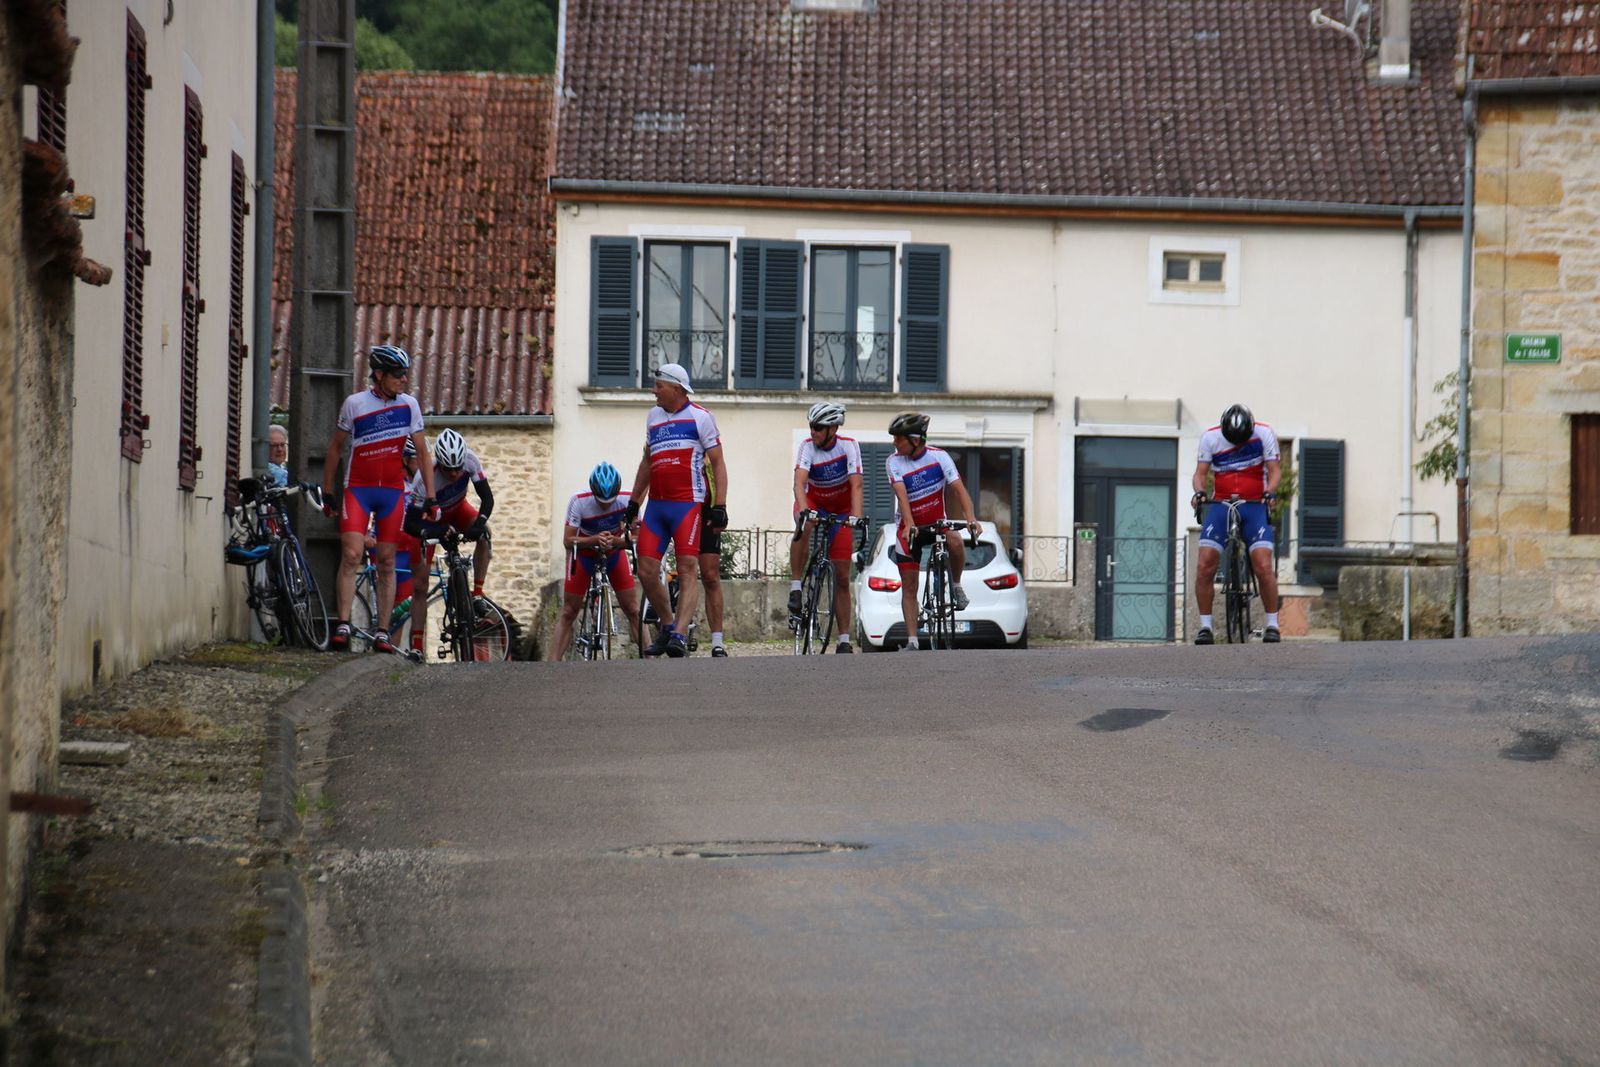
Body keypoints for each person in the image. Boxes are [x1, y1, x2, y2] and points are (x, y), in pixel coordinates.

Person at [322, 345, 435, 654]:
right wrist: (328, 490)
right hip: (358, 489)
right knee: (352, 554)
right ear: (380, 374)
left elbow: (422, 453)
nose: (404, 379)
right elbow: (335, 448)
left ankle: (383, 631)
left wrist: (431, 496)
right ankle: (343, 624)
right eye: (398, 374)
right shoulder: (355, 404)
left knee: (386, 561)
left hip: (392, 493)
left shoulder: (410, 405)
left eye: (405, 374)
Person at [625, 362, 727, 659]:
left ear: (677, 389)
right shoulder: (653, 417)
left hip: (687, 505)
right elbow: (647, 461)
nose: (653, 391)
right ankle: (669, 625)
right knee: (646, 571)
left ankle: (680, 635)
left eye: (659, 386)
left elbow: (718, 463)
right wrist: (634, 502)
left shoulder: (701, 417)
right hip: (657, 506)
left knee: (687, 569)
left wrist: (720, 505)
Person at [885, 411, 980, 651]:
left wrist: (971, 519)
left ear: (915, 440)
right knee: (909, 585)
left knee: (955, 539)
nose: (894, 443)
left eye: (899, 439)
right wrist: (909, 524)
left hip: (937, 523)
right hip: (910, 528)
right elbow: (902, 497)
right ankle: (913, 641)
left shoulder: (939, 457)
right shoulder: (894, 462)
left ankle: (956, 586)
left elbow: (959, 489)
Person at [1191, 403, 1282, 644]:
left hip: (1254, 504)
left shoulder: (1264, 433)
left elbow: (1274, 471)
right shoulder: (1211, 437)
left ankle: (1272, 625)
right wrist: (1200, 493)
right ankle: (1205, 627)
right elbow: (1200, 474)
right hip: (1222, 503)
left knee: (1263, 565)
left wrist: (1270, 493)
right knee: (1204, 565)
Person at [788, 401, 864, 653]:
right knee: (804, 523)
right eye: (811, 426)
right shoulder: (807, 447)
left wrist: (856, 517)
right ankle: (796, 586)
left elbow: (856, 485)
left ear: (833, 429)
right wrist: (804, 510)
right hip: (813, 502)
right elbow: (799, 484)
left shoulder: (848, 446)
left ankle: (843, 640)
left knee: (842, 577)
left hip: (841, 511)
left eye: (818, 427)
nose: (813, 431)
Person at [549, 462, 643, 661]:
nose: (606, 505)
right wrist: (592, 540)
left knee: (633, 609)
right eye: (601, 501)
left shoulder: (628, 501)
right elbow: (568, 541)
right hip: (584, 554)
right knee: (569, 611)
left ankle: (649, 660)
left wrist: (617, 541)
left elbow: (637, 540)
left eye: (610, 501)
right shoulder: (578, 501)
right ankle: (551, 665)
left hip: (613, 553)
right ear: (592, 492)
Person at [697, 446, 730, 657]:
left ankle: (717, 641)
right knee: (682, 571)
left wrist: (721, 509)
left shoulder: (709, 450)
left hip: (706, 512)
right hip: (680, 510)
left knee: (710, 576)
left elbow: (719, 473)